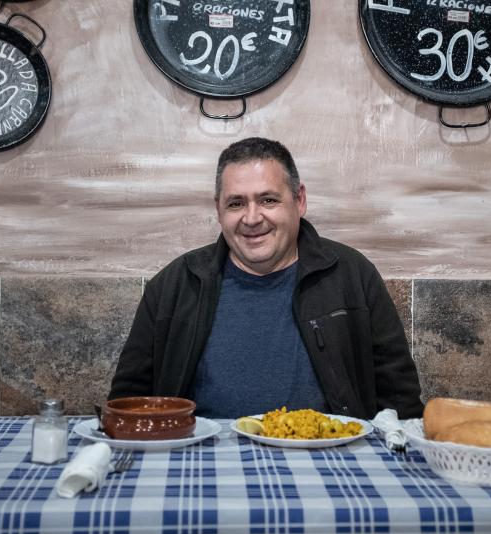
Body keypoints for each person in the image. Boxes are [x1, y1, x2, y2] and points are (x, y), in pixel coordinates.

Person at [109, 137, 423, 420]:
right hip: (202, 465)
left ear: (299, 200)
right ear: (218, 210)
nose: (252, 218)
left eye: (268, 200)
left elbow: (401, 401)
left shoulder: (353, 275)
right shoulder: (175, 285)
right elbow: (126, 404)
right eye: (236, 203)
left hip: (328, 465)